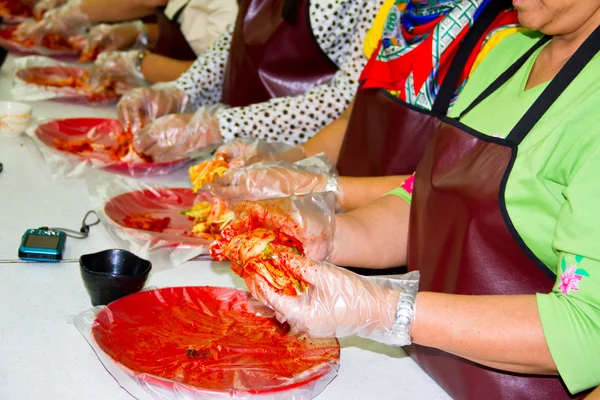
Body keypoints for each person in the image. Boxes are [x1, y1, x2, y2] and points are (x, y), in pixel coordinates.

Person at [218, 0, 600, 398]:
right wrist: (333, 236)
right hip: (422, 370)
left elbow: (589, 326)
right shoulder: (510, 51)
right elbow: (426, 197)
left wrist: (386, 310)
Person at [207, 0, 521, 211]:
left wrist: (320, 185)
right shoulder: (396, 11)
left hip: (412, 257)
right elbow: (349, 123)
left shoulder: (505, 38)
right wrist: (286, 159)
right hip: (351, 230)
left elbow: (447, 189)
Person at [116, 0, 384, 162]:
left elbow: (345, 100)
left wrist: (220, 126)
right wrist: (181, 91)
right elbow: (236, 40)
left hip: (300, 159)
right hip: (232, 152)